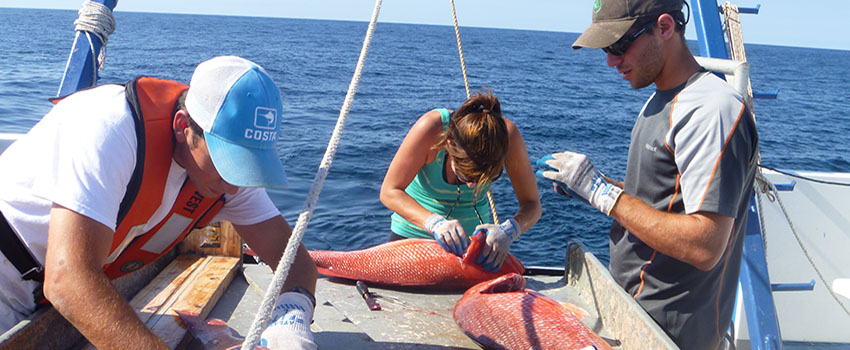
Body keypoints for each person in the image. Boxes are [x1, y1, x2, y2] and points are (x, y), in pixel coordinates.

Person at [0, 56, 318, 349]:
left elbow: (294, 262)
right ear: (183, 127)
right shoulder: (111, 130)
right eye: (228, 162)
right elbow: (67, 279)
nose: (234, 187)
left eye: (247, 167)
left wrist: (293, 318)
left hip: (39, 299)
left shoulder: (225, 175)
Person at [537, 1, 759, 349]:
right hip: (635, 317)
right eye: (607, 49)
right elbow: (668, 196)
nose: (611, 60)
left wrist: (602, 194)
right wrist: (594, 185)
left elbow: (705, 245)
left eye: (619, 45)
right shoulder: (662, 99)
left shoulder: (710, 110)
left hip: (669, 334)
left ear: (665, 27)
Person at [380, 91, 541, 272]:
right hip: (411, 240)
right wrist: (433, 222)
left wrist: (510, 230)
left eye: (483, 179)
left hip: (471, 250)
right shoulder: (431, 128)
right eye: (465, 175)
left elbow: (532, 204)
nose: (472, 186)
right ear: (449, 144)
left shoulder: (507, 137)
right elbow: (389, 191)